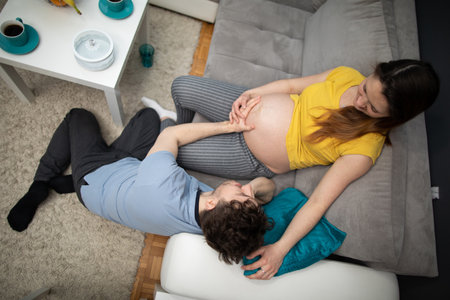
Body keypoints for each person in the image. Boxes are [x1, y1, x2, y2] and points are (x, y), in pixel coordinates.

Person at [154, 59, 439, 279]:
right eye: (365, 88)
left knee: (174, 148)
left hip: (250, 154)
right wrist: (251, 95)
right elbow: (292, 87)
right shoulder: (347, 76)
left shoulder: (364, 148)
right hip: (242, 110)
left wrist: (280, 249)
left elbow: (318, 202)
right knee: (180, 86)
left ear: (393, 117)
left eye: (373, 108)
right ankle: (179, 122)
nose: (359, 100)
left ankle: (168, 124)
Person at [7, 106, 276, 264]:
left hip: (96, 174)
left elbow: (173, 135)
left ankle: (40, 184)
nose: (244, 187)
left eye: (240, 193)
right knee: (149, 117)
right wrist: (252, 193)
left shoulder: (163, 183)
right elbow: (269, 190)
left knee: (79, 116)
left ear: (211, 203)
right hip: (130, 172)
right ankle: (73, 176)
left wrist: (228, 127)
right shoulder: (216, 229)